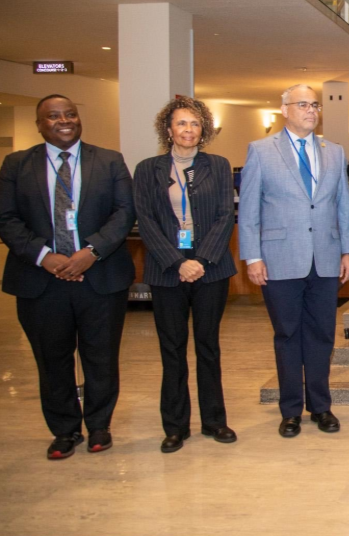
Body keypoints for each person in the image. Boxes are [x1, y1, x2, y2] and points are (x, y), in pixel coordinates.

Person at [0, 94, 135, 459]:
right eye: (54, 116)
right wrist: (45, 257)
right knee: (52, 359)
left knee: (101, 357)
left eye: (71, 114)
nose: (64, 121)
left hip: (100, 277)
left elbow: (124, 212)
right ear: (39, 123)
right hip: (41, 281)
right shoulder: (16, 164)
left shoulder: (109, 161)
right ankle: (64, 430)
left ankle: (99, 427)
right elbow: (7, 219)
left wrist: (90, 252)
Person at [238, 84, 349, 438]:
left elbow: (342, 206)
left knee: (322, 335)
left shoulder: (333, 152)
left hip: (325, 258)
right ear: (284, 109)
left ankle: (321, 407)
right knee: (287, 334)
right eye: (303, 104)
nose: (311, 110)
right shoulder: (261, 150)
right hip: (278, 258)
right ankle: (290, 411)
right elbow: (250, 209)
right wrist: (253, 257)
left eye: (315, 105)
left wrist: (348, 251)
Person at [133, 97, 237, 453]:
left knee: (208, 346)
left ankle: (214, 421)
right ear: (168, 130)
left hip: (210, 268)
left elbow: (226, 215)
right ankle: (175, 426)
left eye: (194, 124)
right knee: (172, 349)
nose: (188, 130)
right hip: (167, 269)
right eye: (181, 123)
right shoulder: (148, 169)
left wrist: (202, 260)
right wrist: (178, 261)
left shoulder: (218, 166)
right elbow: (145, 220)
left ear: (203, 129)